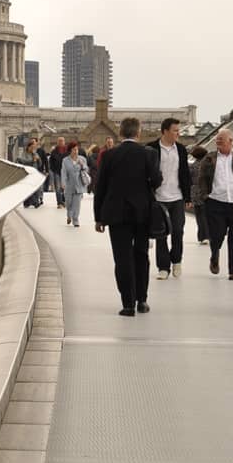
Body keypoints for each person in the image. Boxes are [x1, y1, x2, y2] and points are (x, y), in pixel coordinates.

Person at [94, 116, 162, 315]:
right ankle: (142, 300)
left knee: (122, 258)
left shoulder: (109, 155)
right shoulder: (147, 154)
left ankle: (128, 304)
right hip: (142, 213)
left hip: (116, 214)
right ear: (138, 133)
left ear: (120, 133)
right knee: (141, 255)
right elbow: (157, 180)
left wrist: (99, 217)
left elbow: (101, 188)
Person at [146, 118, 191, 279]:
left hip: (177, 197)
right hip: (158, 197)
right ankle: (163, 267)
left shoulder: (180, 149)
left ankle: (176, 261)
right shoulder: (151, 148)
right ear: (165, 131)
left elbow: (185, 172)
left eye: (179, 131)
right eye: (175, 130)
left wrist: (188, 196)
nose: (178, 133)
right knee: (161, 234)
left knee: (178, 231)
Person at [198, 128, 233, 280]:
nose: (218, 144)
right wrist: (205, 196)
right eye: (217, 141)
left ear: (231, 141)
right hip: (215, 202)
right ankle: (214, 255)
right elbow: (201, 179)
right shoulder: (209, 159)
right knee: (216, 235)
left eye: (221, 141)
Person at [61, 140, 89, 226]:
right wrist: (63, 182)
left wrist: (82, 165)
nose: (76, 151)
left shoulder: (82, 159)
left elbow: (86, 170)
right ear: (70, 150)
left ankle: (75, 220)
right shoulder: (65, 160)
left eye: (77, 149)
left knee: (76, 204)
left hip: (79, 184)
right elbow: (64, 172)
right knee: (69, 203)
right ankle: (69, 215)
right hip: (69, 185)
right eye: (74, 149)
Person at [188, 145, 210, 244]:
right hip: (205, 192)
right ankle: (207, 235)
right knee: (206, 215)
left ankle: (201, 236)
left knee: (199, 216)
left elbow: (189, 180)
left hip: (195, 192)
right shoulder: (207, 165)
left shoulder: (192, 166)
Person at [17, 137, 44, 207]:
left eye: (33, 147)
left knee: (35, 188)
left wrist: (38, 160)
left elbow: (40, 164)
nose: (32, 149)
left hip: (34, 173)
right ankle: (32, 202)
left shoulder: (35, 154)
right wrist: (33, 161)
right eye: (31, 147)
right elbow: (23, 161)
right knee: (28, 188)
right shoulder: (24, 154)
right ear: (28, 147)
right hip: (27, 173)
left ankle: (34, 201)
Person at [48, 136, 67, 209]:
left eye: (62, 141)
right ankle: (59, 203)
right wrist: (53, 170)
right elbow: (51, 162)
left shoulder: (67, 151)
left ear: (64, 142)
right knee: (58, 188)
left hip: (65, 173)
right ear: (57, 142)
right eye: (59, 141)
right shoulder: (54, 151)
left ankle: (64, 201)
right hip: (57, 172)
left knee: (65, 188)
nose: (61, 142)